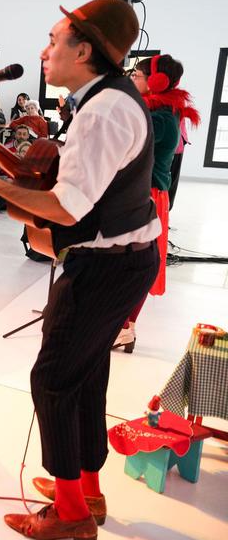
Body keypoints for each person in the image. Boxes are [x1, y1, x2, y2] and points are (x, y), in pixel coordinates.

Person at [0, 0, 160, 540]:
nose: (45, 51)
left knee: (51, 380)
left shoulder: (101, 110)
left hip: (104, 265)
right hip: (126, 258)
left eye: (54, 40)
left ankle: (72, 512)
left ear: (85, 49)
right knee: (86, 374)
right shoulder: (110, 99)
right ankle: (86, 488)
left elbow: (68, 206)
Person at [114, 54, 200, 351]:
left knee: (133, 266)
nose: (132, 79)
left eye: (136, 75)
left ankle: (125, 327)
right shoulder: (157, 112)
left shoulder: (159, 119)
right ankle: (123, 325)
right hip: (138, 193)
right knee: (124, 264)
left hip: (145, 196)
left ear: (157, 82)